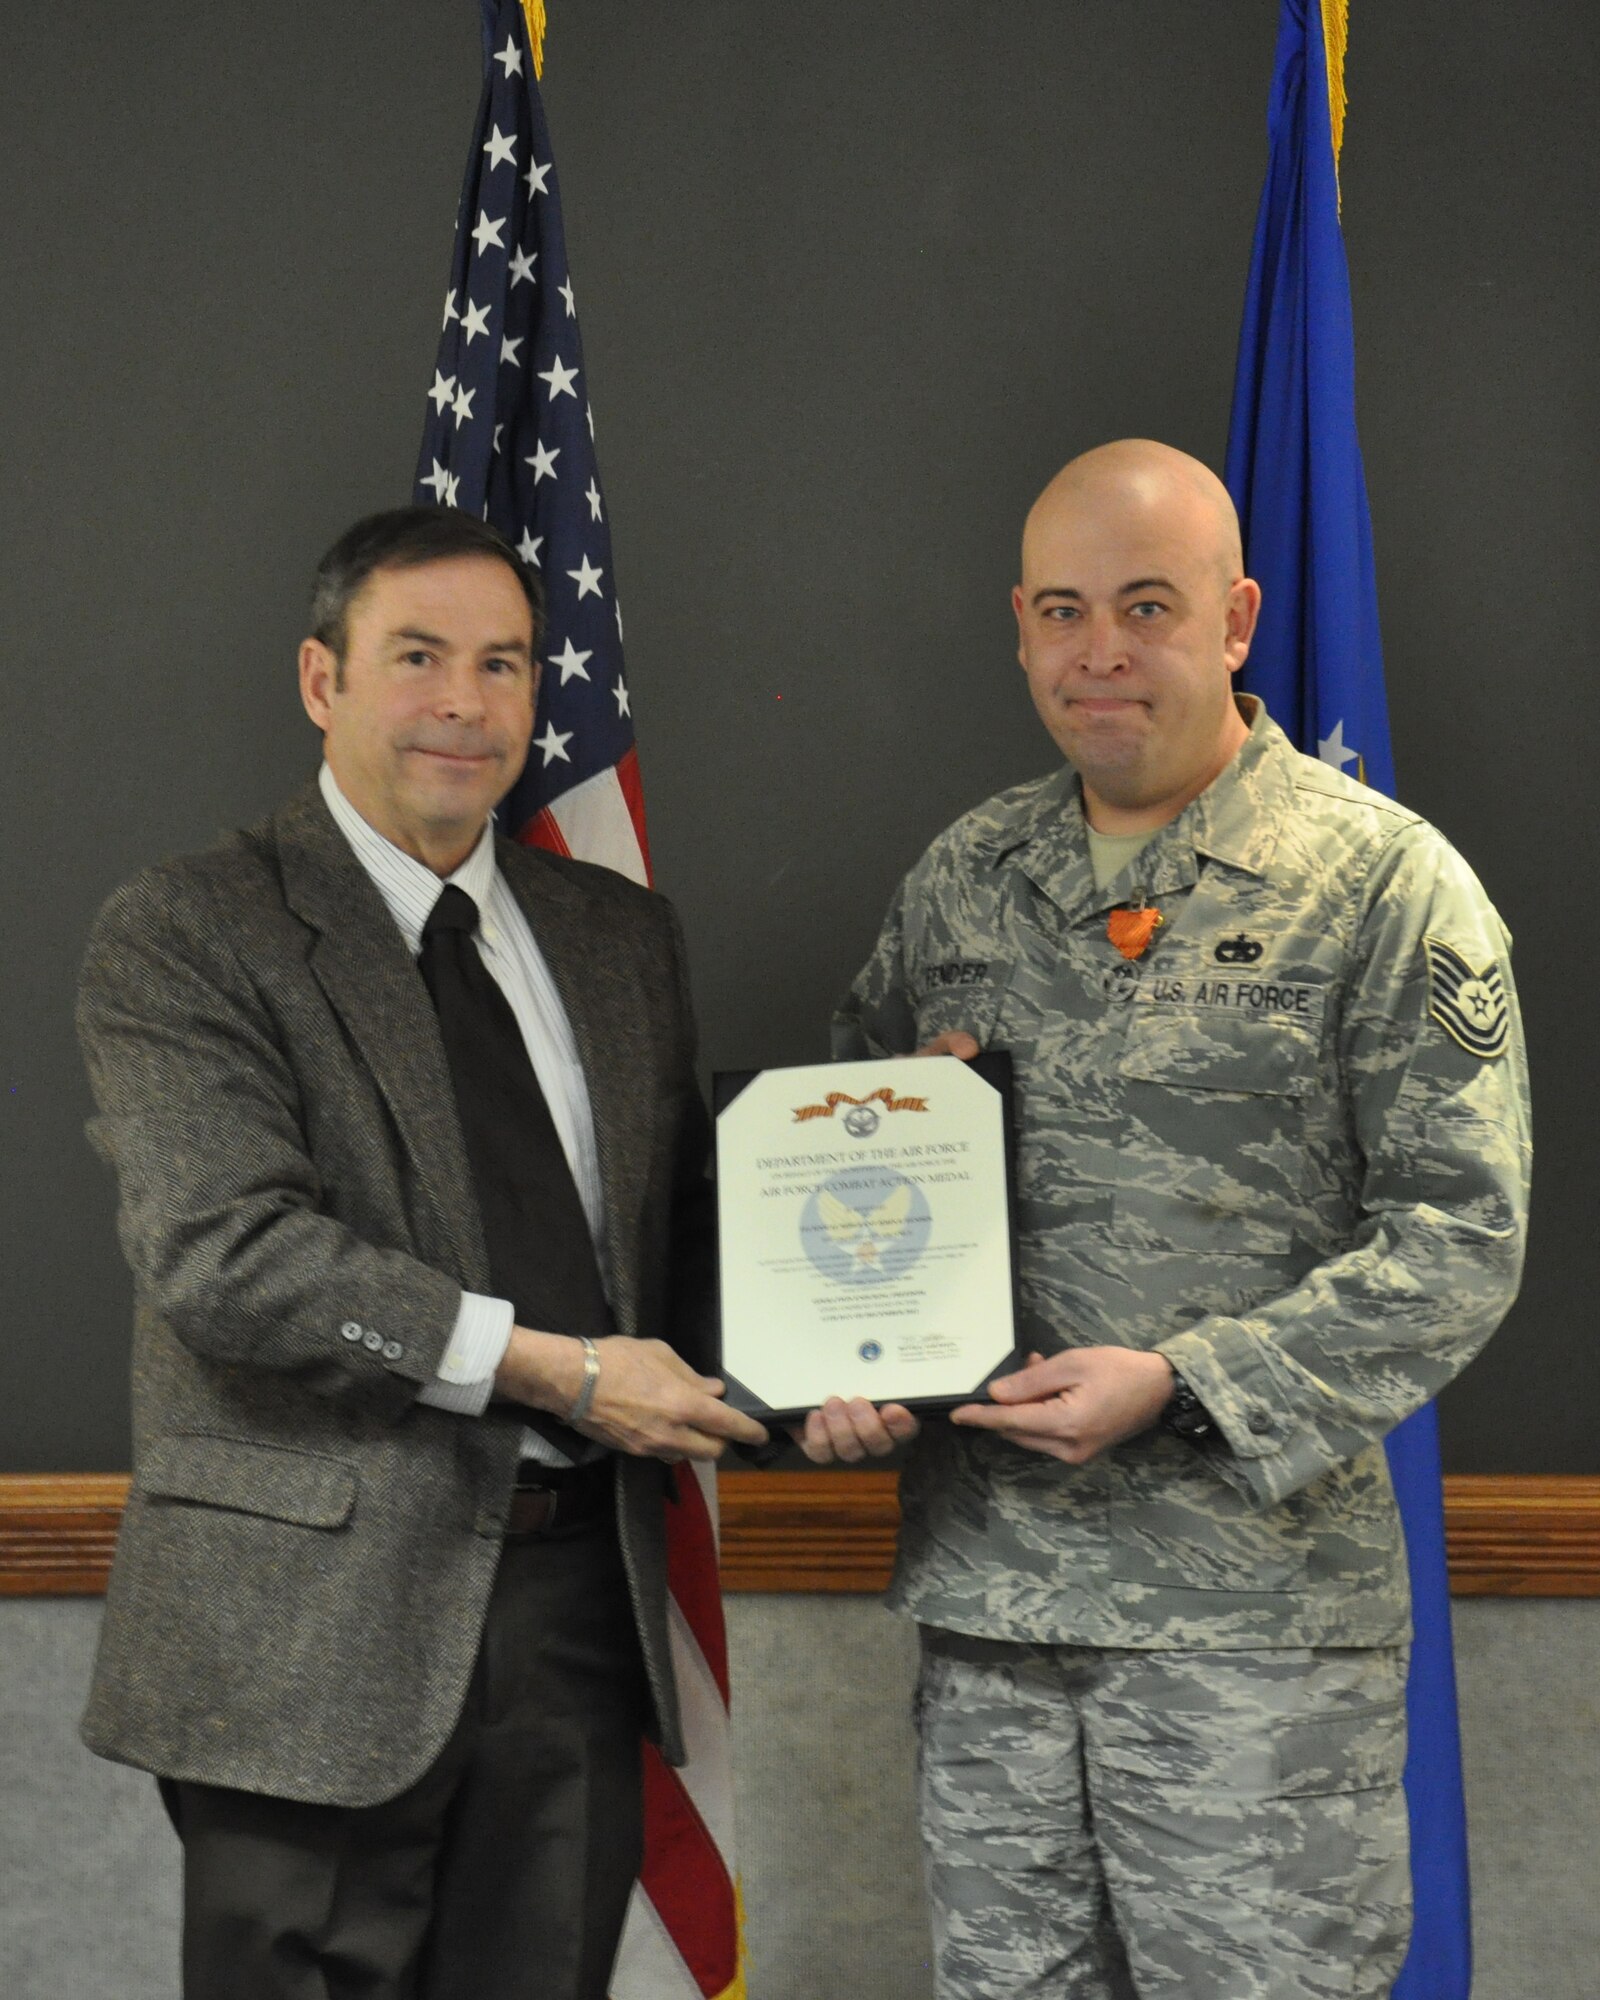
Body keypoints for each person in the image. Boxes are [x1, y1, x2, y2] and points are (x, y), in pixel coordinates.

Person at [806, 440, 1531, 1999]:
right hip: (996, 1617)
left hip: (1252, 1637)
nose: (1100, 653)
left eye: (1147, 605)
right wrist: (833, 1370)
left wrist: (1189, 1383)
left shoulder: (1385, 887)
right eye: (1063, 611)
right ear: (1018, 626)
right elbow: (833, 1173)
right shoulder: (962, 887)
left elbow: (1459, 1236)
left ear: (1237, 616)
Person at [75, 505, 767, 2000]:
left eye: (505, 663)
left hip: (578, 1607)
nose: (466, 702)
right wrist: (561, 1375)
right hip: (305, 1629)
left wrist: (844, 1339)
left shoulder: (619, 935)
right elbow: (227, 1252)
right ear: (323, 681)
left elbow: (684, 1242)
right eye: (419, 656)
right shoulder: (190, 930)